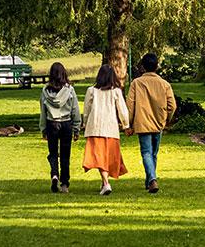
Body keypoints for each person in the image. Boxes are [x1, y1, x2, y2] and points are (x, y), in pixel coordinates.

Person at [125, 52, 178, 193]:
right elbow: (172, 106)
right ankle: (150, 180)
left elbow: (130, 105)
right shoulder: (164, 84)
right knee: (153, 153)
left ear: (143, 66)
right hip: (158, 122)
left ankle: (152, 179)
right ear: (157, 66)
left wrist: (128, 124)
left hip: (142, 123)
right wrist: (167, 119)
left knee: (146, 153)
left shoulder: (136, 83)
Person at [80, 64, 130, 195]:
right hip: (111, 128)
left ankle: (106, 183)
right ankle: (105, 182)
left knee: (98, 157)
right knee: (107, 157)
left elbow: (86, 110)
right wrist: (126, 125)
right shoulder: (116, 91)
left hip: (95, 127)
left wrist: (85, 123)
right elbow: (122, 110)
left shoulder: (91, 91)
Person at [38, 62, 81, 193]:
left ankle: (54, 174)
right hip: (66, 123)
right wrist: (76, 128)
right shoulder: (70, 90)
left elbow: (43, 111)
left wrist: (43, 129)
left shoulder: (45, 91)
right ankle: (64, 183)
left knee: (52, 153)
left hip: (52, 123)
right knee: (65, 154)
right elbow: (75, 110)